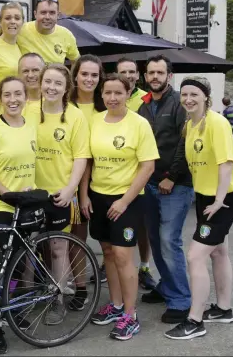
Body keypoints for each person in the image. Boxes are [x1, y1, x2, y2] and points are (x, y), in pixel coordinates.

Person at [81, 74, 159, 341]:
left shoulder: (139, 124)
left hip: (127, 199)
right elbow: (87, 162)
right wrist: (84, 195)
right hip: (98, 197)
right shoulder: (94, 121)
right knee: (108, 252)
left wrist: (125, 200)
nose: (112, 98)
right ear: (101, 95)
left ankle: (130, 315)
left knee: (124, 257)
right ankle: (115, 306)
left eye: (118, 93)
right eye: (107, 93)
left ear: (128, 94)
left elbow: (148, 166)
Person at [165, 76, 233, 340]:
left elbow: (226, 163)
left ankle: (195, 320)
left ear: (206, 97)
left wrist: (218, 201)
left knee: (195, 256)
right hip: (205, 197)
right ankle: (224, 309)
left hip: (222, 198)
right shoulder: (190, 125)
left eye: (194, 94)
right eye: (184, 95)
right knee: (218, 252)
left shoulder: (217, 123)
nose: (188, 99)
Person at [0, 76, 37, 354]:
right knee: (7, 261)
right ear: (0, 98)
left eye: (18, 94)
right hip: (2, 207)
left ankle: (9, 310)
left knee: (18, 262)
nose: (13, 100)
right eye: (8, 95)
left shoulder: (31, 126)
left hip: (25, 207)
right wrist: (7, 194)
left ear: (25, 97)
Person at [26, 63, 91, 316]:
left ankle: (58, 299)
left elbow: (81, 157)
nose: (51, 87)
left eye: (57, 83)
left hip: (60, 193)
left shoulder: (75, 116)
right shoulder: (28, 110)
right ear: (40, 83)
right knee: (30, 246)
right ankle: (28, 298)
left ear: (66, 88)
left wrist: (70, 189)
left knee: (57, 248)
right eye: (48, 82)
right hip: (31, 192)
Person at [138, 55, 194, 324]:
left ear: (169, 76)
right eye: (151, 72)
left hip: (176, 185)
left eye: (160, 72)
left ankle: (181, 301)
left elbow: (187, 142)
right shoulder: (144, 105)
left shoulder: (179, 104)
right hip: (149, 183)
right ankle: (167, 287)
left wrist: (172, 176)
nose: (155, 77)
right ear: (145, 76)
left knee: (170, 242)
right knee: (156, 240)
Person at [116, 57, 156, 290]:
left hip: (143, 171)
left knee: (142, 225)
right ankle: (114, 262)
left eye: (132, 71)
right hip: (116, 174)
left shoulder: (147, 98)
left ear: (138, 75)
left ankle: (143, 266)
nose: (129, 75)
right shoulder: (111, 95)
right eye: (124, 71)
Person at [69, 54, 108, 283]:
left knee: (107, 242)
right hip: (73, 182)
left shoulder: (105, 106)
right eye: (84, 73)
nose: (89, 79)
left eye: (94, 75)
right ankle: (79, 285)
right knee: (76, 237)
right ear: (75, 75)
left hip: (103, 182)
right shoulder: (67, 105)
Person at [16, 0, 79, 64]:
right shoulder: (21, 30)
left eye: (52, 13)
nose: (47, 17)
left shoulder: (67, 35)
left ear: (58, 15)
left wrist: (68, 75)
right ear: (35, 14)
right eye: (43, 12)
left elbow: (76, 62)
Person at [0, 2, 24, 114]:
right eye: (8, 18)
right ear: (0, 22)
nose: (12, 21)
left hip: (15, 109)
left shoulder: (20, 46)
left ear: (22, 22)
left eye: (17, 18)